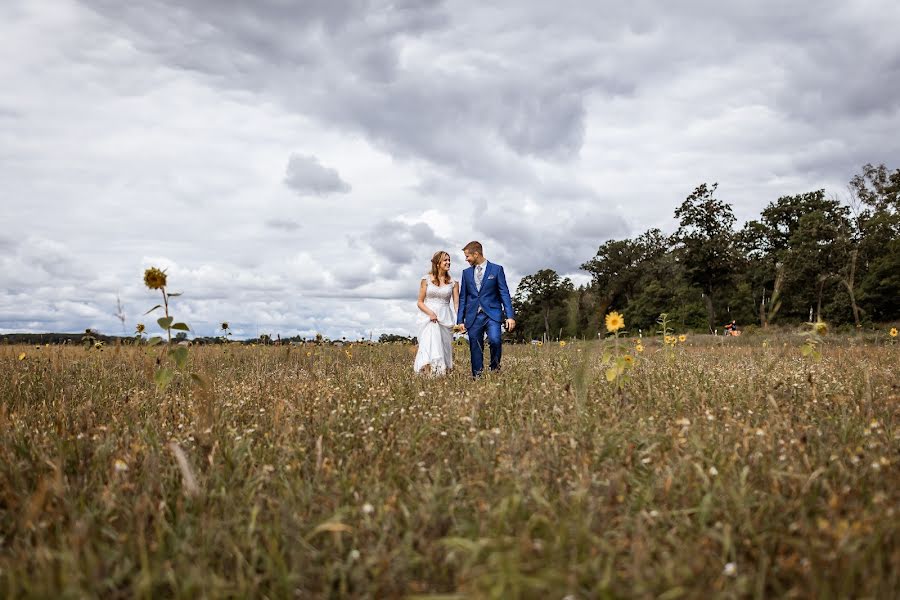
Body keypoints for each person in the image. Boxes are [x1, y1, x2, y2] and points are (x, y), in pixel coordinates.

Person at [456, 241, 516, 377]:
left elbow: (504, 293)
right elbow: (463, 298)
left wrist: (510, 316)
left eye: (467, 256)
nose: (466, 259)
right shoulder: (465, 273)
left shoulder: (497, 269)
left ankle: (495, 369)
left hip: (492, 314)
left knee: (495, 340)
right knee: (475, 346)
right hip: (473, 316)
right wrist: (460, 320)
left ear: (476, 254)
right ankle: (477, 376)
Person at [413, 251, 459, 375]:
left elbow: (456, 304)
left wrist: (460, 320)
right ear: (437, 263)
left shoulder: (453, 283)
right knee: (429, 345)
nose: (448, 262)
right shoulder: (426, 279)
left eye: (449, 260)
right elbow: (420, 302)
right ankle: (427, 374)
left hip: (445, 317)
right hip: (429, 318)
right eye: (445, 260)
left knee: (444, 347)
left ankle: (442, 374)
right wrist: (431, 313)